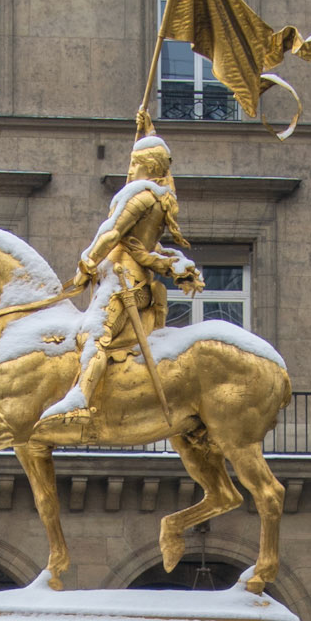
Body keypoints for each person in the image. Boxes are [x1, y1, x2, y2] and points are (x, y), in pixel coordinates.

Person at [42, 131, 203, 427]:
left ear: (149, 167)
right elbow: (146, 246)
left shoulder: (142, 197)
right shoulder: (156, 199)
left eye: (135, 164)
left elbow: (112, 232)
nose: (130, 170)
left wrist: (88, 262)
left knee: (96, 335)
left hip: (124, 284)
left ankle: (80, 399)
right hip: (125, 280)